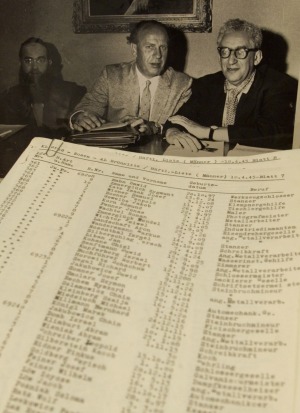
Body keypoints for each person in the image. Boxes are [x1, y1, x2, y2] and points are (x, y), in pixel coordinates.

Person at [165, 18, 297, 151]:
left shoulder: (279, 85)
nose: (231, 60)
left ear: (256, 57)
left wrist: (209, 133)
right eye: (225, 51)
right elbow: (178, 119)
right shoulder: (206, 85)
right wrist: (173, 132)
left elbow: (274, 133)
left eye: (240, 52)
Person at [70, 20, 192, 135]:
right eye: (150, 47)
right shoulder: (112, 75)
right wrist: (80, 116)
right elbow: (88, 106)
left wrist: (155, 127)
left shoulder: (182, 84)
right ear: (134, 49)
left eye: (163, 47)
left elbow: (183, 124)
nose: (158, 55)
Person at [0, 37, 86, 136]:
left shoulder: (73, 92)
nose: (34, 67)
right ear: (21, 63)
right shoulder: (8, 97)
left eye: (40, 60)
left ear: (49, 63)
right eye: (28, 61)